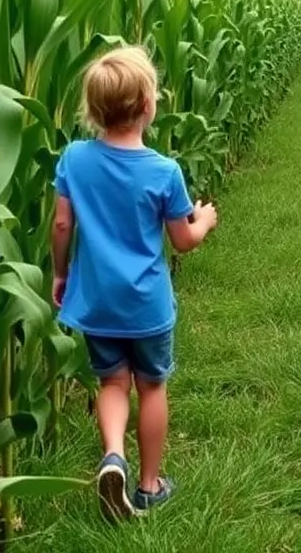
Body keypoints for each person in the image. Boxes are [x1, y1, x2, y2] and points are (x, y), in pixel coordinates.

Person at [51, 44, 218, 521]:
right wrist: (203, 219)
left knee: (111, 381)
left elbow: (62, 225)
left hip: (97, 302)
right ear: (148, 106)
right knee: (151, 386)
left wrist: (61, 273)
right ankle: (148, 486)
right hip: (147, 306)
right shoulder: (163, 171)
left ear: (94, 110)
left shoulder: (75, 159)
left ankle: (112, 458)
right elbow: (183, 240)